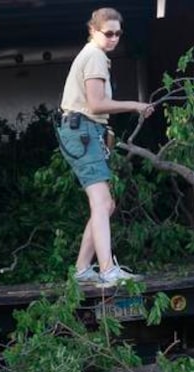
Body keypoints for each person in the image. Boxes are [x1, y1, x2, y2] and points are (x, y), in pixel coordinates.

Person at [57, 7, 154, 286]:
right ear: (93, 30)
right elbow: (96, 104)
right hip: (82, 131)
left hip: (84, 131)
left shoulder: (93, 55)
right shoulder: (95, 56)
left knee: (106, 204)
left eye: (118, 34)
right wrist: (135, 105)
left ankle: (81, 270)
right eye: (108, 33)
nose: (113, 39)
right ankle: (108, 270)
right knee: (101, 202)